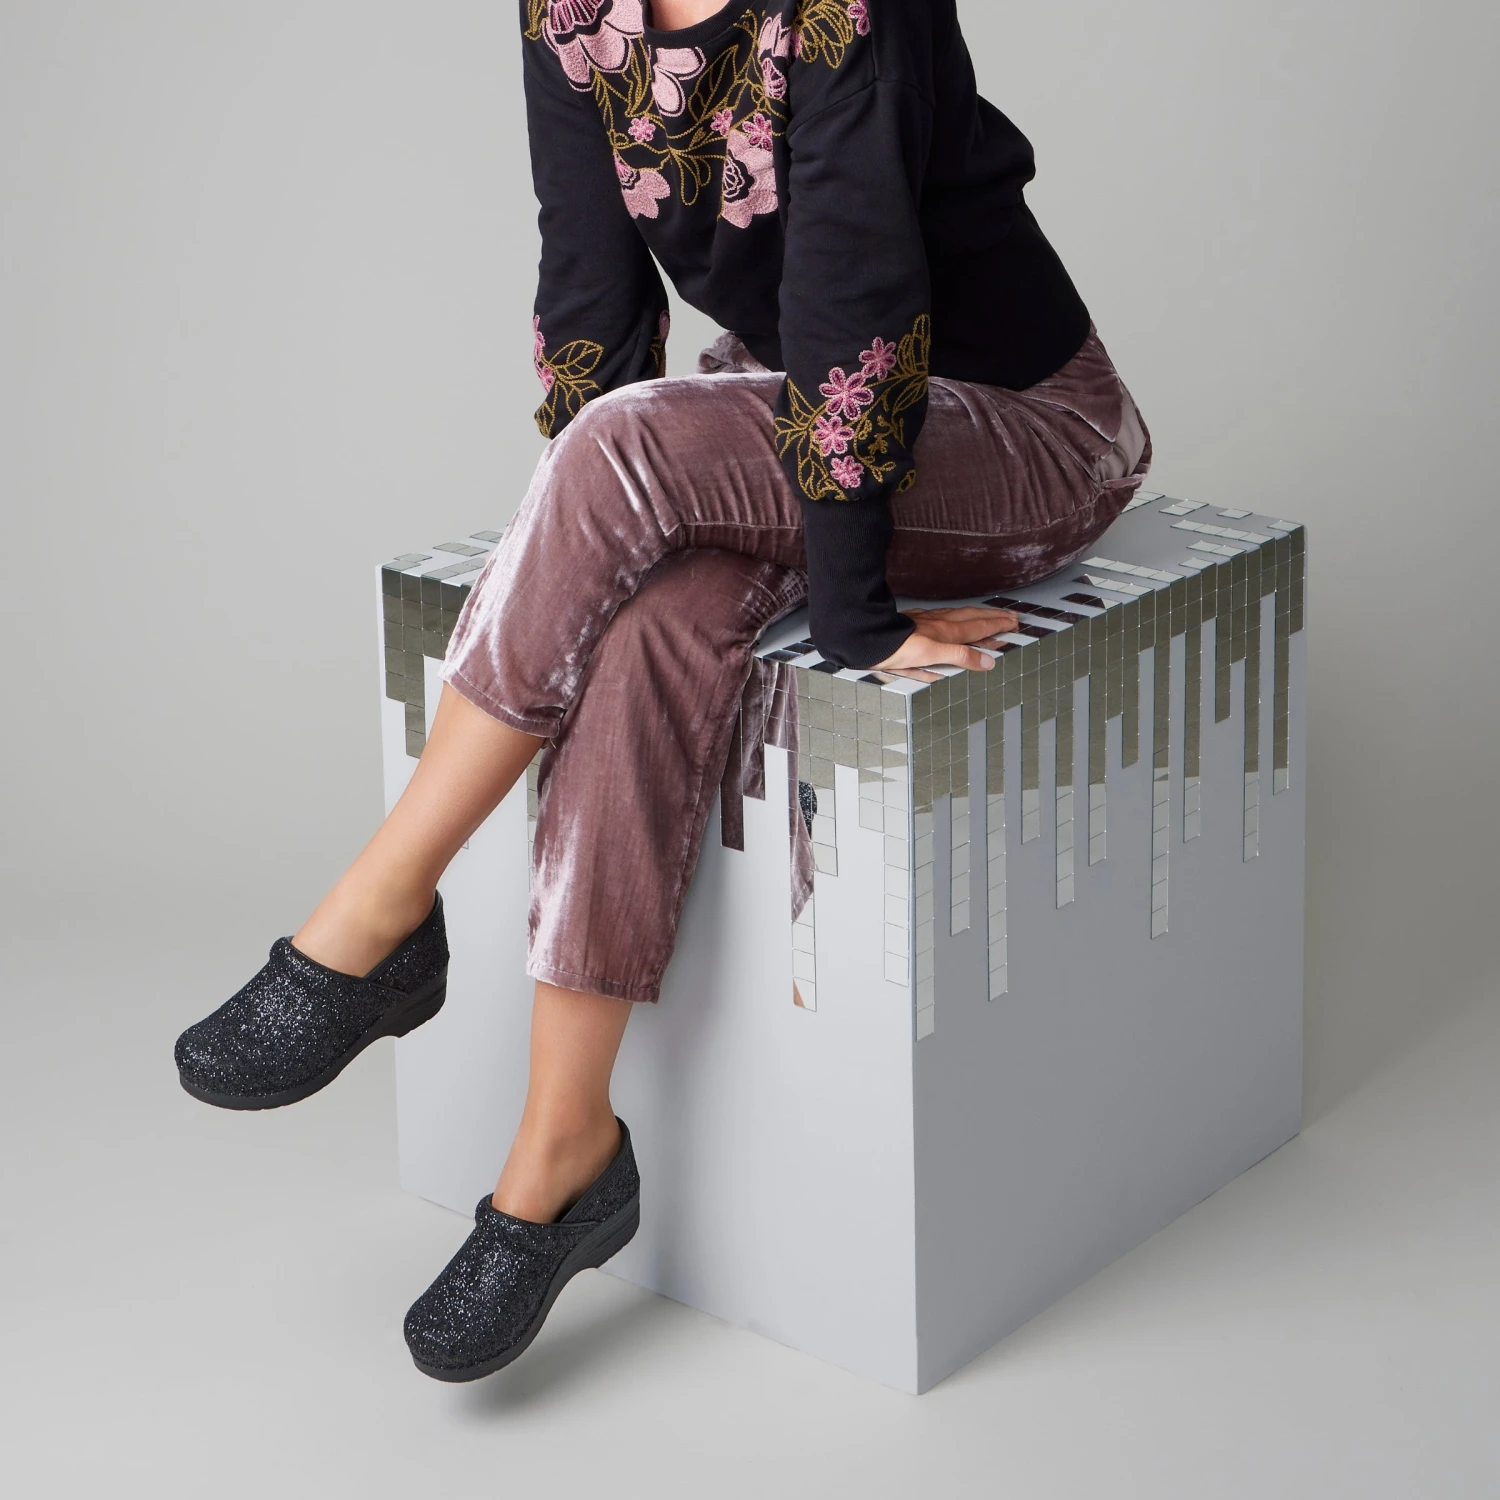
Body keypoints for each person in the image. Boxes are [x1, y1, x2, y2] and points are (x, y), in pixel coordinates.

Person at [174, 0, 1151, 1383]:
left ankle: (379, 912)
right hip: (784, 404)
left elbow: (859, 291)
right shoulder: (573, 13)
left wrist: (857, 616)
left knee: (625, 452)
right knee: (645, 615)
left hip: (1020, 427)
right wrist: (589, 562)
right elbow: (589, 284)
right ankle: (562, 1151)